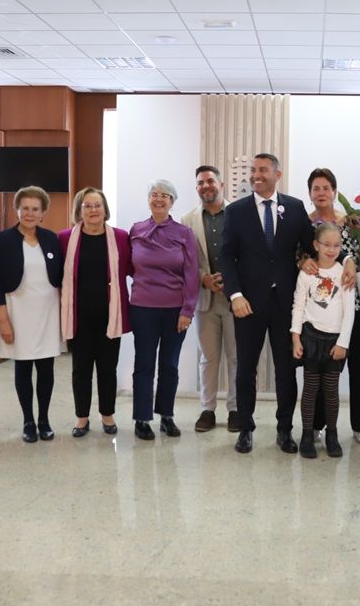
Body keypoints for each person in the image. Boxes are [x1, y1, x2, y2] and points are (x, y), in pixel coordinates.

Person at [219, 152, 316, 454]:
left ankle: (285, 430)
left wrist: (320, 262)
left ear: (278, 174)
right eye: (253, 170)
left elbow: (309, 247)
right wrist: (235, 295)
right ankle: (245, 429)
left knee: (286, 370)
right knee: (246, 368)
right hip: (247, 303)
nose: (256, 175)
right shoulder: (236, 211)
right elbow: (226, 256)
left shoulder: (295, 207)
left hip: (285, 304)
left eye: (263, 170)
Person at [306, 167, 360, 446]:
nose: (322, 193)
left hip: (356, 305)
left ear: (335, 192)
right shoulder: (304, 226)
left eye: (326, 188)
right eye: (316, 188)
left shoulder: (351, 222)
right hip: (323, 310)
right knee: (322, 368)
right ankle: (316, 426)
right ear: (310, 194)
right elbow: (301, 262)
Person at [0, 186, 64, 443]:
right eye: (25, 208)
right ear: (17, 210)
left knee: (46, 368)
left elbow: (62, 278)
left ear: (43, 213)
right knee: (22, 366)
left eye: (36, 209)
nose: (30, 213)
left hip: (48, 312)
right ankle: (28, 421)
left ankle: (44, 420)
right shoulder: (2, 240)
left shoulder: (52, 239)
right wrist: (3, 320)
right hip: (17, 310)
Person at [129, 179, 198, 441]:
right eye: (154, 194)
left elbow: (191, 274)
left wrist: (187, 311)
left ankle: (166, 416)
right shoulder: (136, 230)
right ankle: (142, 418)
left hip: (174, 310)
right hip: (142, 308)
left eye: (165, 195)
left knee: (169, 365)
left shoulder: (184, 233)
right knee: (143, 364)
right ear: (148, 199)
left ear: (172, 202)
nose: (159, 199)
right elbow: (128, 266)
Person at [59, 188, 131, 437]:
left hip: (111, 315)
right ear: (79, 210)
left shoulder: (121, 238)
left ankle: (107, 415)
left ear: (105, 209)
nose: (93, 210)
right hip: (78, 316)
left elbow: (134, 268)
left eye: (97, 205)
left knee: (108, 368)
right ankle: (82, 418)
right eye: (87, 206)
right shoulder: (65, 238)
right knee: (80, 369)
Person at [181, 166, 240, 433]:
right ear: (197, 188)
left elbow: (247, 254)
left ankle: (236, 409)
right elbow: (185, 260)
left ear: (222, 184)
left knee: (236, 357)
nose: (206, 186)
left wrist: (234, 280)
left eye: (211, 181)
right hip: (205, 299)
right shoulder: (187, 220)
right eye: (201, 182)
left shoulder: (239, 214)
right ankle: (207, 409)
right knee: (208, 357)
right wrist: (203, 277)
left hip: (235, 298)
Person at [291, 223, 358, 458]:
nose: (332, 249)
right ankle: (307, 434)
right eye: (327, 245)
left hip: (334, 342)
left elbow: (350, 313)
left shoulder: (344, 274)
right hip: (310, 338)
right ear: (316, 245)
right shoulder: (307, 273)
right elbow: (298, 307)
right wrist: (296, 338)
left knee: (330, 391)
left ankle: (332, 434)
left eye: (337, 245)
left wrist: (343, 344)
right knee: (309, 390)